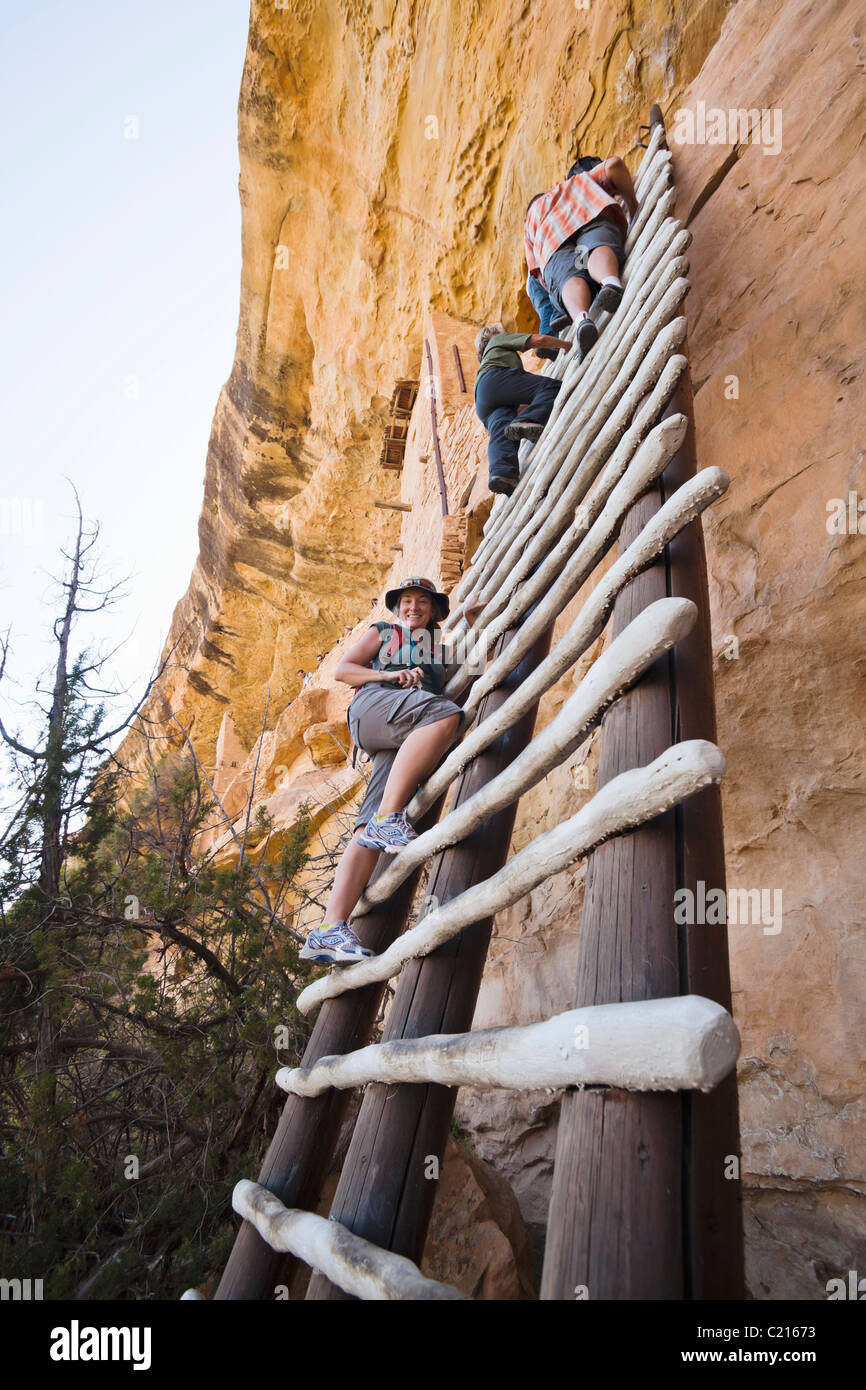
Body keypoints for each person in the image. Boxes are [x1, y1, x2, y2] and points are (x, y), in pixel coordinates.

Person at [300, 576, 487, 965]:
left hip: (400, 733)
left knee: (367, 829)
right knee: (444, 713)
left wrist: (473, 624)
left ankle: (328, 930)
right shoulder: (385, 633)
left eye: (422, 601)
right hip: (375, 706)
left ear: (435, 610)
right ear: (397, 607)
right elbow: (344, 670)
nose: (412, 607)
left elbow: (475, 666)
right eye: (406, 601)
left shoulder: (436, 650)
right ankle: (390, 818)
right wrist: (388, 675)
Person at [524, 153, 638, 362]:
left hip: (551, 242)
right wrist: (632, 206)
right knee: (594, 248)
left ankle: (581, 319)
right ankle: (610, 282)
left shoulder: (530, 224)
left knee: (568, 276)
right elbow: (614, 165)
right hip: (587, 212)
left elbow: (537, 274)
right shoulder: (575, 183)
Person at [473, 325, 571, 496]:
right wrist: (565, 344)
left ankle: (502, 474)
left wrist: (526, 414)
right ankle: (531, 420)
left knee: (501, 431)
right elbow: (538, 340)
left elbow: (519, 403)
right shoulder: (496, 340)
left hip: (482, 401)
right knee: (551, 387)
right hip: (496, 380)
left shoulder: (483, 367)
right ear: (493, 335)